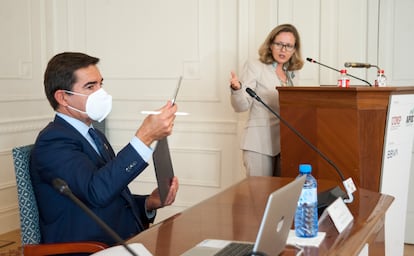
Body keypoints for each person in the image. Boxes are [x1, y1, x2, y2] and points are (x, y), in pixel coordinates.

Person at [30, 52, 179, 246]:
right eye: (90, 86)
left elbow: (110, 194)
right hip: (88, 247)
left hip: (123, 240)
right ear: (63, 97)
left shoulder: (95, 135)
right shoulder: (53, 141)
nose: (101, 93)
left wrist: (149, 202)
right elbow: (96, 192)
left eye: (101, 84)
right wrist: (145, 137)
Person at [229, 23, 304, 176]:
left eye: (289, 46)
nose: (283, 50)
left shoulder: (293, 73)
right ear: (270, 44)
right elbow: (241, 106)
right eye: (279, 44)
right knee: (259, 196)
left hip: (285, 143)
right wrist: (237, 90)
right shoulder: (255, 66)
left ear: (294, 49)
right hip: (259, 143)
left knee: (280, 195)